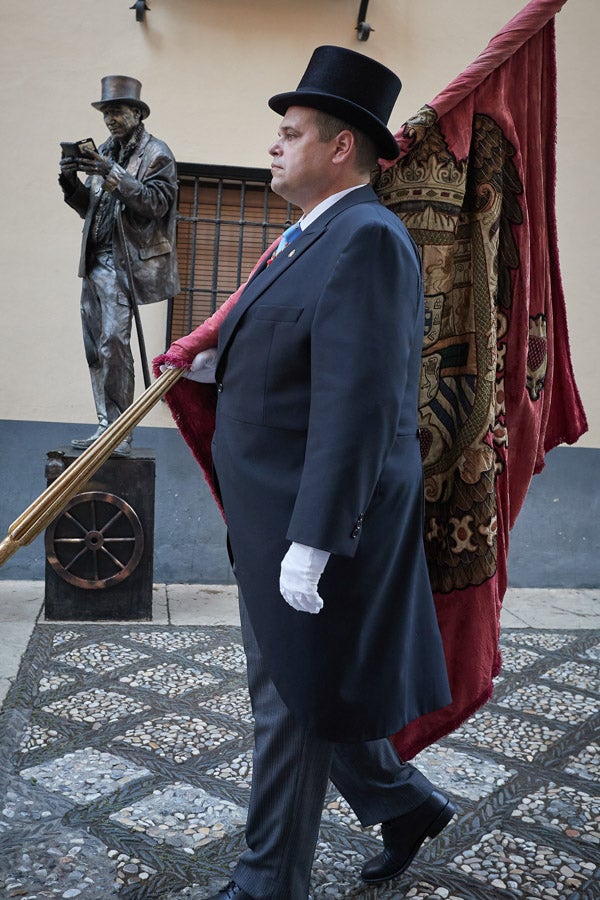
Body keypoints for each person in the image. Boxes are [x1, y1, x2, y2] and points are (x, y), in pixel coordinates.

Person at [158, 46, 455, 900]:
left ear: (340, 148)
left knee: (287, 705)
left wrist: (315, 542)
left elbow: (361, 405)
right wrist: (216, 368)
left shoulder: (366, 239)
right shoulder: (300, 240)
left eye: (290, 134)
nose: (273, 147)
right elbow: (294, 355)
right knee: (307, 687)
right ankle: (403, 805)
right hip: (265, 521)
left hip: (315, 526)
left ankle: (265, 886)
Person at [59, 75, 179, 457]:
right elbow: (89, 210)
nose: (109, 119)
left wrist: (111, 174)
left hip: (123, 263)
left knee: (114, 342)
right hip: (94, 259)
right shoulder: (104, 152)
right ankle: (104, 426)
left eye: (116, 111)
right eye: (105, 112)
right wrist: (70, 181)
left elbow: (156, 204)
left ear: (137, 113)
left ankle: (119, 433)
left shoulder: (156, 153)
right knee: (95, 345)